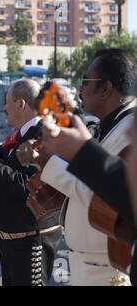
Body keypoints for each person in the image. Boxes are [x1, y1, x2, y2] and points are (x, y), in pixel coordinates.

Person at [18, 48, 136, 286]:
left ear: (106, 88)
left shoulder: (130, 131)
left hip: (109, 269)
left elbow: (110, 200)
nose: (79, 89)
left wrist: (50, 163)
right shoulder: (106, 125)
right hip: (88, 265)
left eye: (85, 81)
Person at [0, 79, 63, 286]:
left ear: (21, 104)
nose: (3, 107)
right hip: (12, 239)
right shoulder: (19, 135)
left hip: (31, 240)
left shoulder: (43, 134)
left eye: (6, 101)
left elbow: (26, 185)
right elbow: (2, 163)